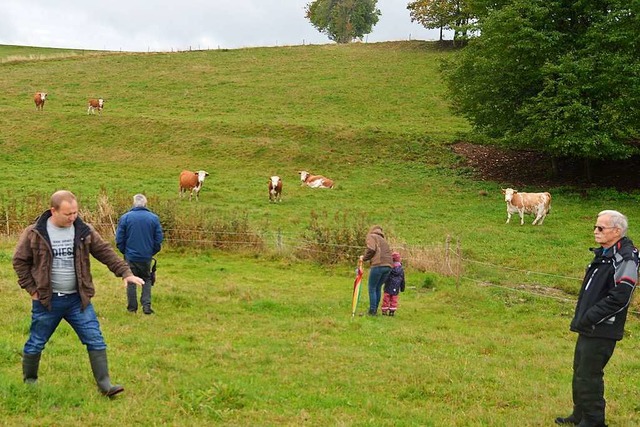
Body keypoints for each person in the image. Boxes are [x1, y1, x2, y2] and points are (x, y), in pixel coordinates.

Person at [12, 190, 145, 397]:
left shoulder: (83, 230)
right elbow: (19, 261)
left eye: (75, 212)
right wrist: (31, 289)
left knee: (95, 339)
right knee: (36, 341)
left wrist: (125, 272)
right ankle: (30, 381)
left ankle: (105, 385)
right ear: (53, 211)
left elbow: (105, 252)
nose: (73, 217)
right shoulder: (35, 233)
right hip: (47, 301)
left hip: (78, 300)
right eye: (68, 214)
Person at [556, 210, 638, 426]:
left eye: (601, 228)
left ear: (617, 231)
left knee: (590, 374)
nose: (595, 231)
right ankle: (580, 414)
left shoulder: (625, 257)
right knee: (580, 371)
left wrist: (591, 316)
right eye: (595, 227)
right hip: (589, 326)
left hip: (603, 328)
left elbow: (621, 296)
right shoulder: (604, 253)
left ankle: (594, 420)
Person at [115, 194, 164, 315]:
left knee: (131, 279)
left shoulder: (125, 218)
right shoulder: (153, 218)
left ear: (134, 203)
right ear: (145, 203)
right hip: (146, 256)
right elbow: (158, 239)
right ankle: (146, 306)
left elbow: (119, 239)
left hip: (130, 256)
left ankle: (132, 308)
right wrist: (152, 251)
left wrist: (125, 252)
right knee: (146, 279)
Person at [360, 225, 393, 316]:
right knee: (378, 287)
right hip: (389, 266)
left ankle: (372, 311)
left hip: (378, 264)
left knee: (372, 287)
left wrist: (364, 258)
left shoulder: (371, 236)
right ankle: (375, 309)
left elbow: (371, 249)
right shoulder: (383, 240)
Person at [381, 252, 405, 316]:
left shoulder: (389, 268)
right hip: (396, 287)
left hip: (388, 286)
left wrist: (382, 282)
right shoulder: (401, 269)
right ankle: (392, 311)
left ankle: (384, 311)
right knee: (394, 299)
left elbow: (386, 276)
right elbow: (402, 279)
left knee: (386, 298)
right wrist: (402, 287)